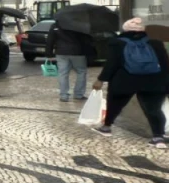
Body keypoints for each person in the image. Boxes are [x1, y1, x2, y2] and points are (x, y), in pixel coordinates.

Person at [93, 17, 168, 148]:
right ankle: (158, 137)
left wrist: (101, 79)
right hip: (153, 80)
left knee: (115, 104)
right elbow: (165, 65)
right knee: (153, 109)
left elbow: (111, 64)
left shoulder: (117, 43)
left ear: (125, 29)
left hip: (124, 80)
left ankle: (106, 128)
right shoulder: (156, 43)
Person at [46, 21, 94, 102]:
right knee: (81, 72)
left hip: (61, 52)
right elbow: (87, 40)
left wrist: (49, 53)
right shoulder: (80, 25)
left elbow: (50, 40)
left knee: (63, 73)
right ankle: (78, 94)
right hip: (78, 52)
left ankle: (63, 96)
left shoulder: (55, 25)